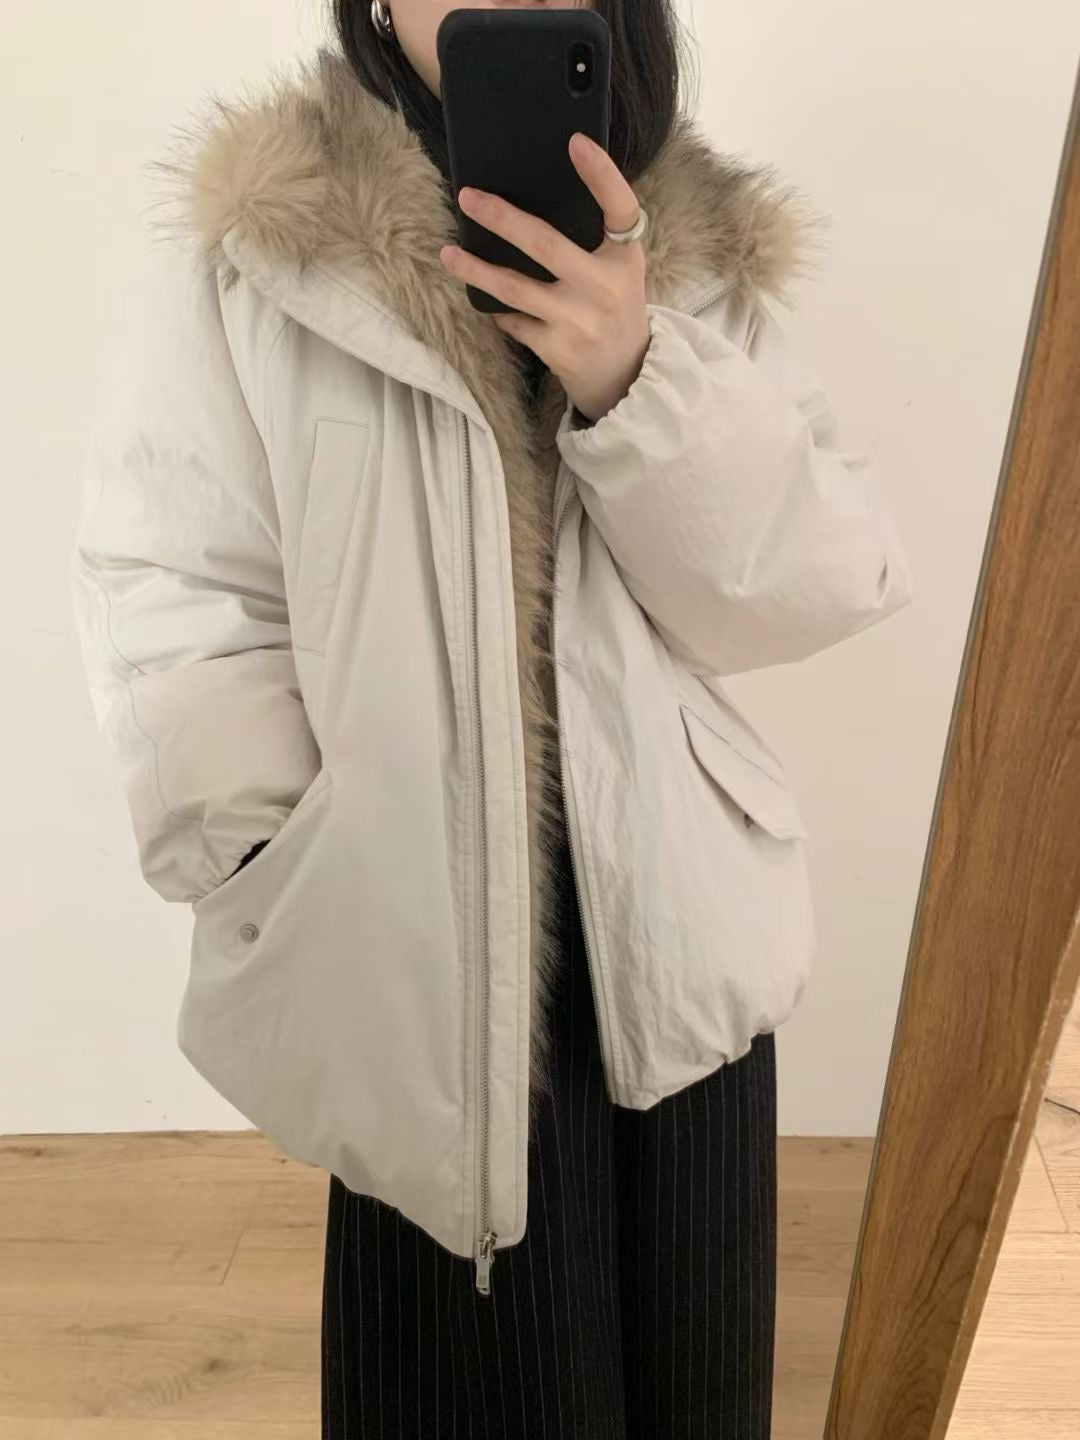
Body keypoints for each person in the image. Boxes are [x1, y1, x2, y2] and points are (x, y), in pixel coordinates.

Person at [68, 2, 914, 1435]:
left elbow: (818, 583)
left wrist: (638, 377)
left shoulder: (697, 244)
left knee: (695, 1379)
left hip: (675, 942)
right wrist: (285, 861)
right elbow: (174, 584)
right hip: (406, 951)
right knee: (460, 1381)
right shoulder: (265, 245)